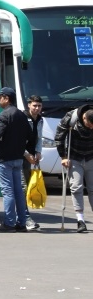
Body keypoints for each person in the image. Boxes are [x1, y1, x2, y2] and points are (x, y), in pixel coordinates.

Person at [0, 87, 34, 233]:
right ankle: (22, 222)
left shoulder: (4, 116)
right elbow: (30, 135)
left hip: (3, 158)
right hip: (17, 158)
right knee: (18, 191)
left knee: (8, 192)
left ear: (7, 98)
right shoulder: (21, 115)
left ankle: (9, 223)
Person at [55, 105, 93, 233]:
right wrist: (63, 156)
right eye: (90, 125)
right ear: (84, 118)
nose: (91, 127)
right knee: (76, 186)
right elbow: (59, 136)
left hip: (91, 156)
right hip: (75, 156)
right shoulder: (71, 117)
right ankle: (80, 220)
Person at [22, 95, 46, 231]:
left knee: (26, 186)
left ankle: (21, 217)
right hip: (20, 156)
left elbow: (39, 137)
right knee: (22, 187)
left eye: (39, 106)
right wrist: (26, 155)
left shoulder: (40, 120)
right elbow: (18, 140)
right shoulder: (23, 118)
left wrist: (38, 151)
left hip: (30, 156)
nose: (37, 108)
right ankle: (25, 218)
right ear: (28, 105)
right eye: (34, 105)